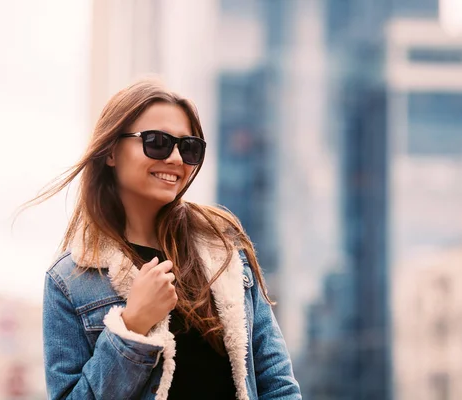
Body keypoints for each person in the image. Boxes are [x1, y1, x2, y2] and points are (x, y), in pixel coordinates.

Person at [33, 78, 301, 399]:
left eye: (188, 147)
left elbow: (276, 381)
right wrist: (131, 327)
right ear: (111, 152)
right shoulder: (71, 280)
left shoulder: (222, 248)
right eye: (156, 142)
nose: (176, 158)